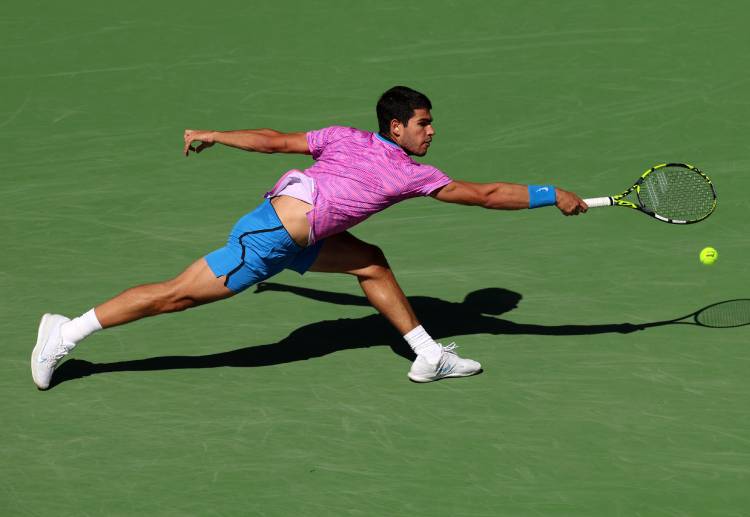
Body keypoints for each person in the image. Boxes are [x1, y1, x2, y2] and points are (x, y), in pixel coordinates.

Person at [31, 86, 588, 390]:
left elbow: (276, 142)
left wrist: (214, 135)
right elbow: (487, 194)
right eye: (423, 123)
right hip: (269, 238)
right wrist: (550, 192)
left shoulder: (345, 137)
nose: (431, 130)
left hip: (306, 238)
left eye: (430, 122)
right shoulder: (411, 173)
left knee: (369, 262)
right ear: (396, 126)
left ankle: (427, 354)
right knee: (175, 295)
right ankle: (66, 332)